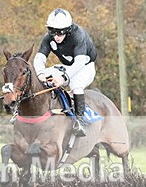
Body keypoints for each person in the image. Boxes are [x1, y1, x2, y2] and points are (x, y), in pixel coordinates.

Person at [33, 8, 98, 137]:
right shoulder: (49, 38)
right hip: (67, 66)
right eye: (52, 31)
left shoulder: (78, 35)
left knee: (76, 84)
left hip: (85, 66)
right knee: (35, 78)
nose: (56, 36)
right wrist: (40, 73)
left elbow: (79, 63)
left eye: (60, 32)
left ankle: (79, 121)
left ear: (68, 30)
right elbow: (39, 58)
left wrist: (63, 77)